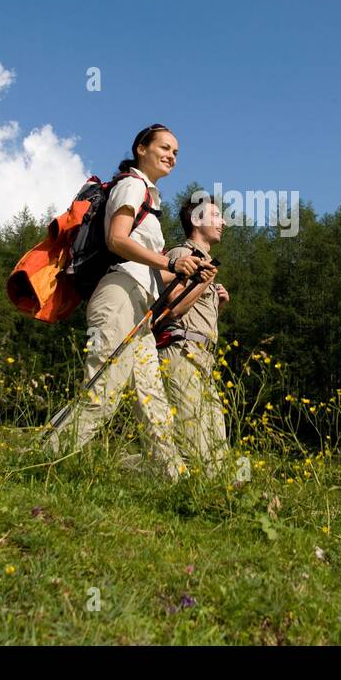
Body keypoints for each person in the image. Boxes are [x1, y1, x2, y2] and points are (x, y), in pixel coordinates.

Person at [46, 124, 212, 479]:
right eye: (164, 147)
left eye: (176, 152)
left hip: (138, 304)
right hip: (118, 296)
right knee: (103, 390)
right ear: (141, 148)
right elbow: (117, 241)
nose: (171, 156)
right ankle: (45, 459)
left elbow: (148, 270)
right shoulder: (132, 184)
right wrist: (170, 261)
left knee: (152, 400)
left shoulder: (150, 197)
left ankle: (173, 479)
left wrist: (188, 273)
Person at [155, 195, 231, 478]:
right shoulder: (181, 256)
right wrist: (204, 282)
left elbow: (196, 316)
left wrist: (218, 306)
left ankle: (215, 502)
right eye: (215, 216)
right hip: (180, 352)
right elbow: (174, 308)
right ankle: (131, 469)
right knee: (192, 443)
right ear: (196, 220)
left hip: (203, 357)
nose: (223, 222)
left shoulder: (207, 263)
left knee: (217, 446)